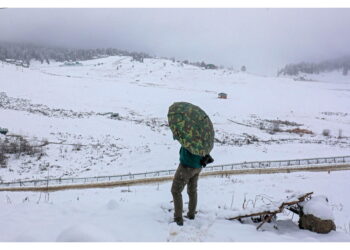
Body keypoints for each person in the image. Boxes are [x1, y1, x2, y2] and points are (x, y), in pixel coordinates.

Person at [171, 146, 213, 226]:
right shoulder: (203, 134)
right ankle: (191, 214)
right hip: (198, 165)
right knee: (192, 190)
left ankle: (178, 219)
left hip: (186, 165)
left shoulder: (190, 135)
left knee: (176, 191)